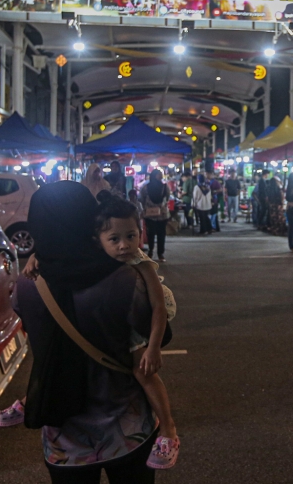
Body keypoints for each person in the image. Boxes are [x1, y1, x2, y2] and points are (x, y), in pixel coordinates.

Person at [12, 181, 162, 482]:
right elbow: (157, 332)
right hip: (127, 427)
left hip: (64, 436)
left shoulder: (26, 286)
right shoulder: (124, 278)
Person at [94, 192, 179, 469]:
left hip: (137, 327)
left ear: (140, 231)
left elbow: (158, 308)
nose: (124, 246)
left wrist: (153, 347)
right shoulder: (94, 259)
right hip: (111, 324)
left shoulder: (141, 264)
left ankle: (168, 430)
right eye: (114, 239)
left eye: (131, 236)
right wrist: (36, 257)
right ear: (98, 240)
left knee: (142, 372)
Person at [140, 169, 171, 263]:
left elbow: (167, 197)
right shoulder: (146, 187)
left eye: (161, 174)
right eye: (159, 174)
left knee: (161, 234)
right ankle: (151, 250)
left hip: (160, 214)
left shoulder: (165, 186)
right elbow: (141, 198)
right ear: (154, 175)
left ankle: (160, 253)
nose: (160, 176)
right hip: (152, 214)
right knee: (151, 234)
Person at [266, 170, 287, 236]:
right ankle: (279, 231)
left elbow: (267, 198)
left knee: (273, 218)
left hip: (272, 205)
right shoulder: (279, 189)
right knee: (279, 218)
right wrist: (282, 203)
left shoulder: (269, 189)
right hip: (278, 205)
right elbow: (282, 197)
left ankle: (274, 230)